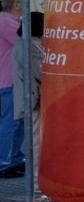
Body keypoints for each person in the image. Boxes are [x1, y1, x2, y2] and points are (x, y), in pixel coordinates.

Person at [13, 11, 43, 184]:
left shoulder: (24, 44)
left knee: (32, 137)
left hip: (29, 99)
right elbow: (41, 71)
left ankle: (34, 177)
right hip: (32, 100)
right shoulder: (30, 46)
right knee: (35, 139)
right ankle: (35, 179)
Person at [0, 0, 24, 177]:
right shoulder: (7, 22)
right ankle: (4, 162)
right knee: (10, 123)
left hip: (12, 80)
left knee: (17, 122)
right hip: (8, 80)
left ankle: (15, 159)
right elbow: (23, 43)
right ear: (16, 4)